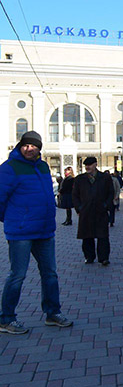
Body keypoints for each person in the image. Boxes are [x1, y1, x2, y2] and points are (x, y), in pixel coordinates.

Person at [0, 131, 72, 334]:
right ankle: (6, 318)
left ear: (39, 148)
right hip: (21, 233)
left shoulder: (42, 166)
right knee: (17, 275)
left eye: (34, 146)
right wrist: (15, 219)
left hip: (44, 230)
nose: (29, 149)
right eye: (26, 145)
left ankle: (52, 313)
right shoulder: (9, 168)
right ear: (19, 146)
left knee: (50, 274)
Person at [73, 157, 115, 266]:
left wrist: (106, 205)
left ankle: (104, 258)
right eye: (86, 165)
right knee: (87, 236)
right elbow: (75, 195)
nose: (87, 167)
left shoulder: (105, 178)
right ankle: (89, 256)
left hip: (100, 211)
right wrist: (79, 208)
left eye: (90, 165)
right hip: (86, 211)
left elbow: (111, 193)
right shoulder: (79, 179)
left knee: (103, 236)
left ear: (95, 164)